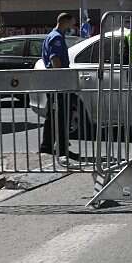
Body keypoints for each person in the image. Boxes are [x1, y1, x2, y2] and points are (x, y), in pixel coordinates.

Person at [39, 12, 81, 163]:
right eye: (72, 22)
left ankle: (48, 147)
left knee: (54, 114)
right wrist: (61, 77)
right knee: (62, 115)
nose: (73, 25)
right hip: (58, 81)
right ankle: (60, 149)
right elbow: (55, 59)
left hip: (54, 81)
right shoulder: (56, 37)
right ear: (66, 21)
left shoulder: (53, 35)